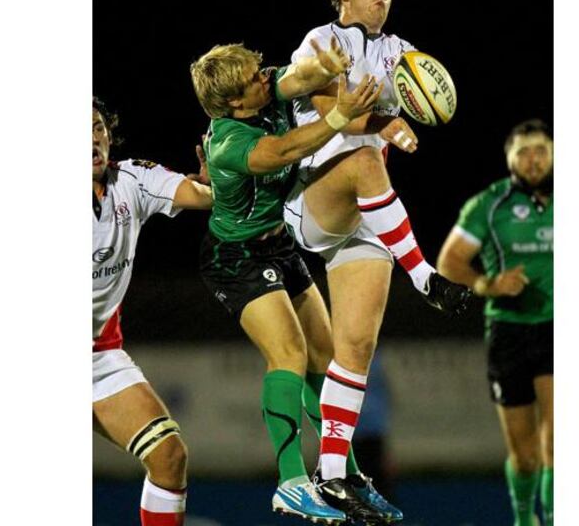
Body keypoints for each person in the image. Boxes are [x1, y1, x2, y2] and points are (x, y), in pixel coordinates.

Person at [282, 0, 469, 520]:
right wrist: (386, 121)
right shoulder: (319, 41)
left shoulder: (401, 52)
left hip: (370, 217)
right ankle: (427, 277)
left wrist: (416, 111)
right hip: (316, 196)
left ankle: (333, 472)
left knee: (355, 347)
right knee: (365, 160)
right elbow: (318, 108)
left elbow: (424, 95)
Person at [190, 40, 389, 524]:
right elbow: (284, 150)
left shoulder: (261, 90)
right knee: (289, 356)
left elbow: (295, 78)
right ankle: (291, 482)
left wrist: (326, 64)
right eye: (255, 77)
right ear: (235, 102)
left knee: (326, 359)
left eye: (260, 70)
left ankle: (342, 476)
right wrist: (340, 116)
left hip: (278, 247)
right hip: (235, 258)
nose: (265, 77)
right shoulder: (231, 143)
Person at [92, 97, 213, 526]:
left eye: (98, 128)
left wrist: (215, 182)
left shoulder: (132, 179)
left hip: (99, 358)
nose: (92, 139)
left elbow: (200, 195)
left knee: (168, 455)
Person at [436, 119, 554, 526]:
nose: (533, 159)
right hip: (510, 332)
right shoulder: (488, 205)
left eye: (541, 149)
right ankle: (524, 517)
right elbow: (449, 263)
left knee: (556, 446)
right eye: (523, 152)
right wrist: (488, 284)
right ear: (509, 159)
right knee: (526, 458)